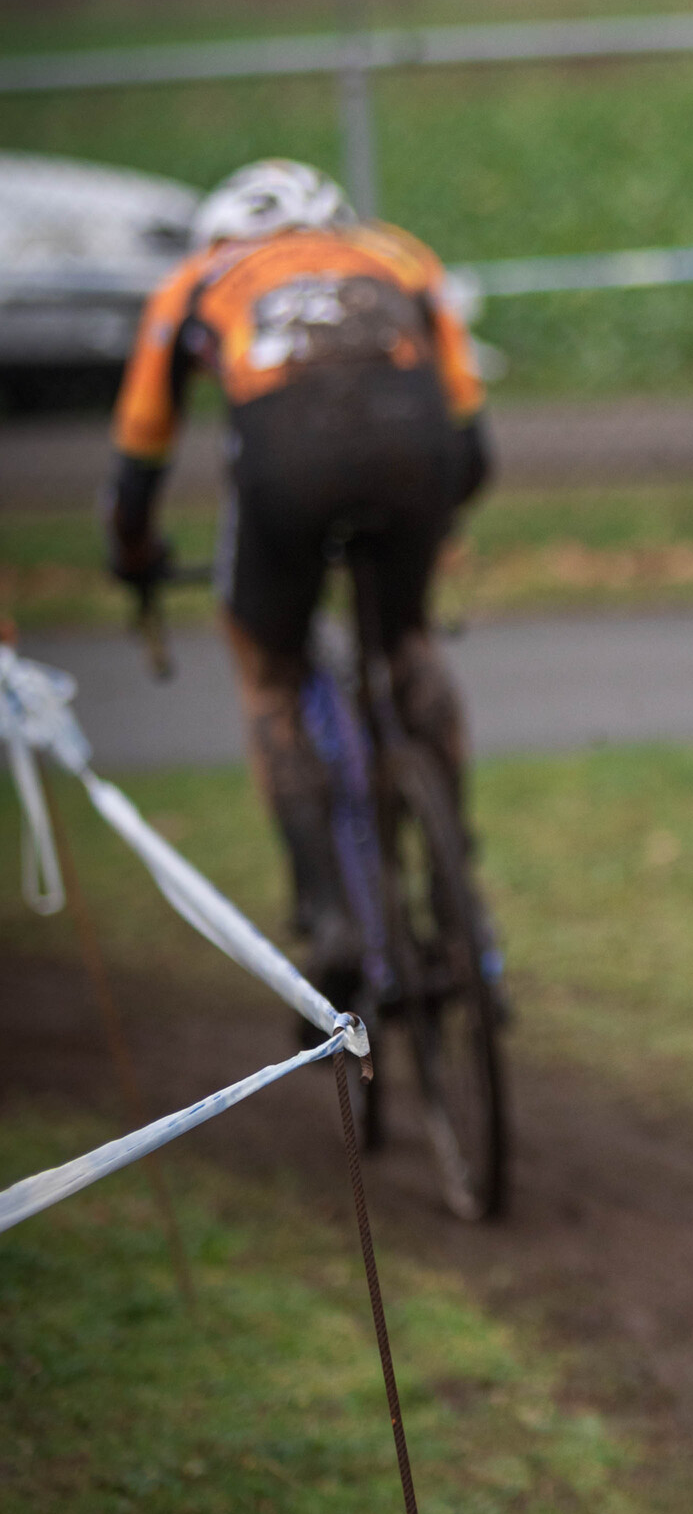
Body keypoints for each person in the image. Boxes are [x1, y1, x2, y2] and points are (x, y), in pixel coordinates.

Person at [104, 158, 491, 1003]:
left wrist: (132, 557)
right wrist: (431, 526)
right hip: (415, 448)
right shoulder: (395, 253)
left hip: (289, 461)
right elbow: (472, 437)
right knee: (407, 640)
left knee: (270, 676)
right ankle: (458, 872)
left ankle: (329, 917)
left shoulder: (196, 279)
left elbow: (139, 455)